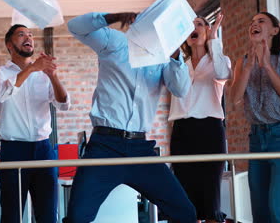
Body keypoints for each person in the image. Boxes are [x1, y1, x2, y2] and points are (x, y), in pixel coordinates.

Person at [64, 12, 196, 223]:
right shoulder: (116, 42)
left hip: (140, 148)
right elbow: (75, 26)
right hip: (105, 147)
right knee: (77, 217)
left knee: (185, 213)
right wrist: (112, 17)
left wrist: (174, 53)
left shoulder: (163, 57)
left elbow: (181, 90)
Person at [0, 24, 70, 223]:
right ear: (9, 45)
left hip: (44, 149)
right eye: (21, 34)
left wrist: (52, 76)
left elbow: (63, 105)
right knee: (11, 215)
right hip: (13, 151)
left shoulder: (43, 74)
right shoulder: (0, 72)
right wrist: (31, 69)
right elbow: (2, 95)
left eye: (30, 34)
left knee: (47, 215)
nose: (28, 37)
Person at [230, 12, 280, 223]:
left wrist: (267, 65)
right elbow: (235, 99)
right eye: (252, 22)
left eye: (261, 21)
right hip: (256, 138)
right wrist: (249, 67)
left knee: (279, 208)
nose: (254, 25)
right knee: (260, 211)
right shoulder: (243, 62)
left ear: (275, 30)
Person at [168, 14, 231, 223]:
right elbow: (173, 87)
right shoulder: (179, 64)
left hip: (210, 131)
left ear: (207, 30)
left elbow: (223, 74)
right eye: (189, 26)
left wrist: (214, 40)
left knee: (210, 199)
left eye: (199, 24)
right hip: (182, 131)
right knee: (185, 197)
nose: (193, 28)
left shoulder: (218, 61)